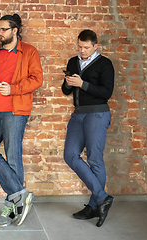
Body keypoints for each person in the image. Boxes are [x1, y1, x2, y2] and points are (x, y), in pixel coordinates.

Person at [0, 14, 43, 227]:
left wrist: (12, 89)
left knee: (13, 157)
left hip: (15, 111)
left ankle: (11, 207)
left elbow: (37, 79)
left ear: (15, 30)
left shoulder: (29, 51)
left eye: (3, 29)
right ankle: (20, 194)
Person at [62, 29, 115, 227]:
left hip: (98, 113)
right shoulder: (73, 61)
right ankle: (102, 198)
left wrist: (82, 84)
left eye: (86, 47)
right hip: (78, 114)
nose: (82, 51)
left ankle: (94, 206)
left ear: (95, 46)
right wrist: (69, 83)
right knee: (70, 155)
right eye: (79, 47)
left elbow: (106, 92)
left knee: (94, 158)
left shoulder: (105, 64)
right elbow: (66, 90)